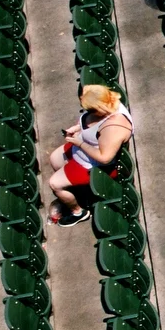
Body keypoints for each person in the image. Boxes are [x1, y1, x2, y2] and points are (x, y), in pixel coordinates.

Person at [48, 84, 133, 227]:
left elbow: (104, 157)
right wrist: (76, 128)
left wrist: (79, 143)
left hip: (93, 165)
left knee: (54, 184)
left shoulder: (114, 127)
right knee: (54, 159)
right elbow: (90, 122)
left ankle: (78, 212)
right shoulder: (106, 103)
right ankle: (78, 192)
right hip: (83, 148)